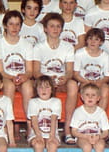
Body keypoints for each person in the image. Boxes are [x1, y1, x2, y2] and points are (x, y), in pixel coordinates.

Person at [32, 12, 77, 142]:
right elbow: (36, 72)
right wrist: (48, 80)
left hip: (61, 81)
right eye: (52, 26)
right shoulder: (39, 47)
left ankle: (67, 130)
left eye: (58, 26)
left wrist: (65, 78)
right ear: (45, 29)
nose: (55, 29)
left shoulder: (68, 47)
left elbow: (70, 71)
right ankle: (37, 131)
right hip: (44, 82)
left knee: (73, 85)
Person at [0, 10, 34, 118]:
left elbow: (29, 71)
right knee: (10, 86)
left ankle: (30, 124)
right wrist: (12, 78)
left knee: (28, 87)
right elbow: (0, 71)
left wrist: (24, 77)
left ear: (21, 26)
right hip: (5, 77)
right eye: (11, 24)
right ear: (5, 25)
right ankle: (7, 123)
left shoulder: (27, 44)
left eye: (17, 24)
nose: (14, 27)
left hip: (22, 78)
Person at [70, 83, 109, 152]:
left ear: (98, 98)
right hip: (82, 136)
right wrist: (85, 137)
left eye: (93, 95)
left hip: (96, 136)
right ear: (82, 97)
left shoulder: (101, 112)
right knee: (87, 147)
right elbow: (74, 131)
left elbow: (106, 132)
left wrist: (98, 137)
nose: (90, 97)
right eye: (87, 95)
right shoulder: (78, 111)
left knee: (100, 147)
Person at [26, 75, 61, 152]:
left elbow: (54, 119)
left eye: (47, 87)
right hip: (36, 132)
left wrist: (52, 136)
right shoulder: (33, 102)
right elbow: (34, 120)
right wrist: (38, 135)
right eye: (40, 87)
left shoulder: (56, 101)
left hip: (52, 132)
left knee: (52, 145)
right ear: (36, 89)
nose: (44, 90)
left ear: (52, 89)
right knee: (38, 145)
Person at [73, 27, 109, 111]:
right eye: (90, 38)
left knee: (105, 89)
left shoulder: (106, 56)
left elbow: (107, 77)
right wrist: (86, 81)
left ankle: (100, 114)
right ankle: (87, 113)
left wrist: (99, 82)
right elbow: (76, 74)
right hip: (83, 81)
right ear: (86, 40)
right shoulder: (79, 53)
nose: (92, 42)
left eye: (96, 39)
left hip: (99, 82)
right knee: (88, 89)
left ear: (101, 42)